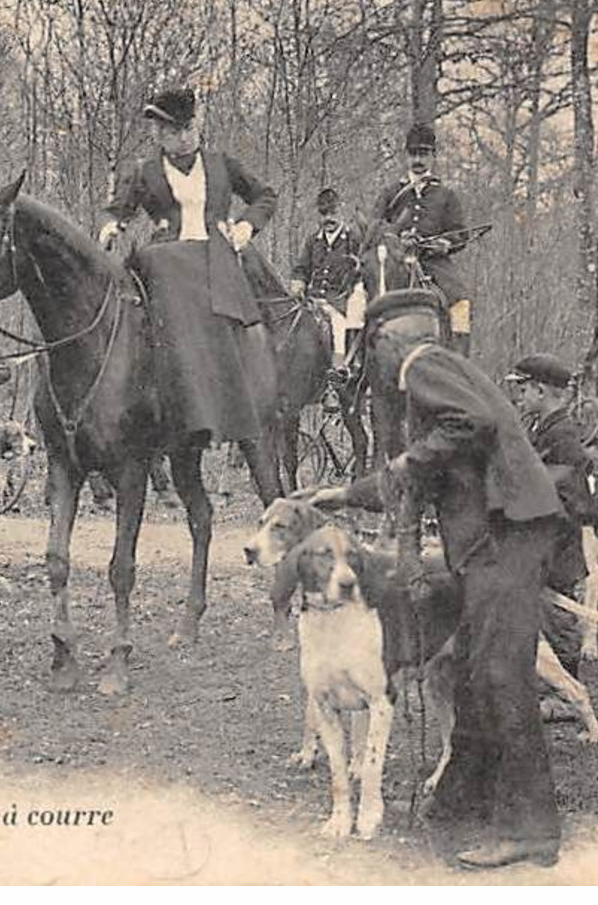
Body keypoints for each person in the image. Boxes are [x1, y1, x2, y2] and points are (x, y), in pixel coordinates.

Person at [311, 289, 571, 870]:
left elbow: (467, 426)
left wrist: (404, 462)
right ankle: (463, 803)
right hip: (502, 540)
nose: (368, 362)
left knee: (501, 678)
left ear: (387, 339)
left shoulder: (421, 366)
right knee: (478, 675)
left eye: (369, 346)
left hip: (508, 537)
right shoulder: (444, 373)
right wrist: (343, 495)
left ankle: (530, 830)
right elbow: (426, 473)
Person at [97, 86, 277, 462]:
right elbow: (121, 208)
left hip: (215, 257)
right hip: (168, 260)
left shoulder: (221, 164)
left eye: (168, 130)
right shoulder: (146, 171)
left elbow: (265, 195)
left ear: (188, 129)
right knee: (145, 278)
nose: (161, 137)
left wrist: (245, 228)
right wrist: (113, 224)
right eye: (159, 132)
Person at [504, 353, 594, 682]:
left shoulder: (563, 435)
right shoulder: (542, 428)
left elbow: (576, 500)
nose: (519, 397)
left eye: (523, 390)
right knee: (538, 615)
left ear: (541, 392)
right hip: (541, 542)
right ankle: (546, 687)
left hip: (557, 546)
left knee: (559, 620)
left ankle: (567, 694)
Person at [368, 124, 472, 356]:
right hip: (395, 263)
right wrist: (396, 238)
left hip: (434, 266)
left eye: (424, 154)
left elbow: (459, 233)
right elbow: (374, 227)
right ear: (406, 156)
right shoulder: (390, 193)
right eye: (413, 153)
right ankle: (356, 369)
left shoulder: (446, 195)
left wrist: (445, 244)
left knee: (460, 305)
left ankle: (459, 366)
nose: (418, 159)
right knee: (361, 304)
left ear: (433, 157)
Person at [289, 187, 367, 373]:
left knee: (338, 327)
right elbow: (302, 268)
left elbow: (363, 270)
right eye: (323, 213)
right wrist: (298, 281)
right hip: (311, 300)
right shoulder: (313, 241)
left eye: (332, 213)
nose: (328, 219)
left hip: (339, 302)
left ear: (341, 211)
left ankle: (337, 375)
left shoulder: (353, 240)